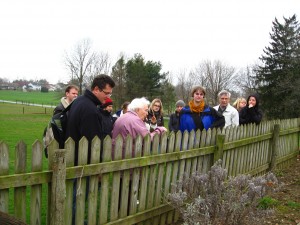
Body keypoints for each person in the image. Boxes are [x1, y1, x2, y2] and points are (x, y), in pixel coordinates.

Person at [66, 74, 115, 165]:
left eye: (110, 93)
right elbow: (93, 142)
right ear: (96, 89)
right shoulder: (90, 110)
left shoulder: (79, 100)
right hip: (83, 163)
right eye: (106, 93)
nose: (109, 97)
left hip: (73, 157)